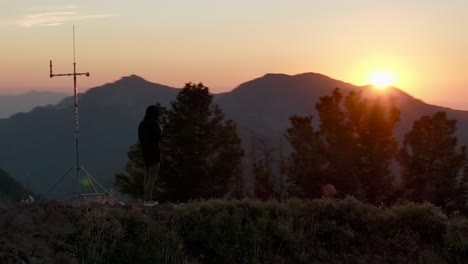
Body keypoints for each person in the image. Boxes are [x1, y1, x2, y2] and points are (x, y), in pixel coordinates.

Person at [138, 105, 161, 206]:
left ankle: (145, 198)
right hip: (154, 153)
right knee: (152, 177)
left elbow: (140, 138)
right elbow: (158, 137)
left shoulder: (142, 124)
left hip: (145, 153)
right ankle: (148, 200)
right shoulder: (154, 124)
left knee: (147, 176)